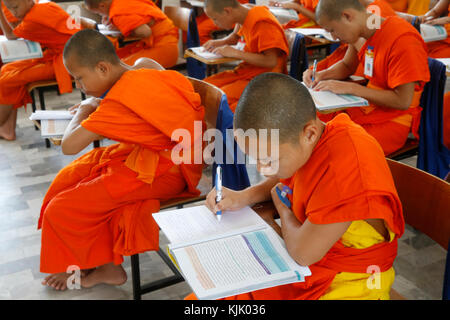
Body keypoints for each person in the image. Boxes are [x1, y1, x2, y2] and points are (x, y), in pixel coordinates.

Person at [187, 72, 404, 300]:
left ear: (308, 134)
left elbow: (302, 253)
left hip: (353, 280)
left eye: (270, 160)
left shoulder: (345, 165)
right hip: (315, 259)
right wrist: (242, 197)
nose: (263, 169)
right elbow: (287, 178)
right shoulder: (311, 141)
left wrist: (283, 209)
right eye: (256, 159)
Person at [39, 29, 205, 291]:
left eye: (80, 79)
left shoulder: (117, 105)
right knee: (75, 175)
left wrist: (84, 110)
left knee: (61, 207)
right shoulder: (144, 65)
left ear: (103, 68)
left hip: (165, 172)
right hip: (171, 158)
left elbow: (69, 145)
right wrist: (99, 102)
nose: (79, 87)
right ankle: (100, 260)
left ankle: (107, 267)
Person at [303, 0, 430, 156]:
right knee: (307, 123)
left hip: (393, 121)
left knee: (332, 147)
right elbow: (347, 66)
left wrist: (352, 88)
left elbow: (402, 101)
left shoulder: (403, 40)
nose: (334, 38)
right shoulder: (362, 33)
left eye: (333, 30)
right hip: (364, 105)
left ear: (347, 16)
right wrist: (322, 74)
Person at [0, 0, 79, 141]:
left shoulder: (32, 20)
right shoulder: (46, 5)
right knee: (7, 69)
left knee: (7, 79)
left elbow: (11, 35)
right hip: (58, 53)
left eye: (16, 8)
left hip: (67, 60)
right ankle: (7, 127)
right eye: (10, 10)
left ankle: (2, 124)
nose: (14, 13)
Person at [201, 0, 289, 113]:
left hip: (266, 78)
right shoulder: (242, 14)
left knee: (217, 98)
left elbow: (271, 61)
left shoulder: (262, 23)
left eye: (215, 18)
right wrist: (218, 42)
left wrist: (236, 53)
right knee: (204, 87)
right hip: (248, 70)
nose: (214, 23)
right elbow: (234, 38)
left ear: (227, 11)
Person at [83, 0, 179, 68]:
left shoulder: (117, 13)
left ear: (102, 6)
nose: (101, 15)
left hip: (164, 47)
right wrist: (120, 25)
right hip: (163, 41)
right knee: (114, 58)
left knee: (119, 69)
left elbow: (145, 32)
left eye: (99, 13)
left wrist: (123, 26)